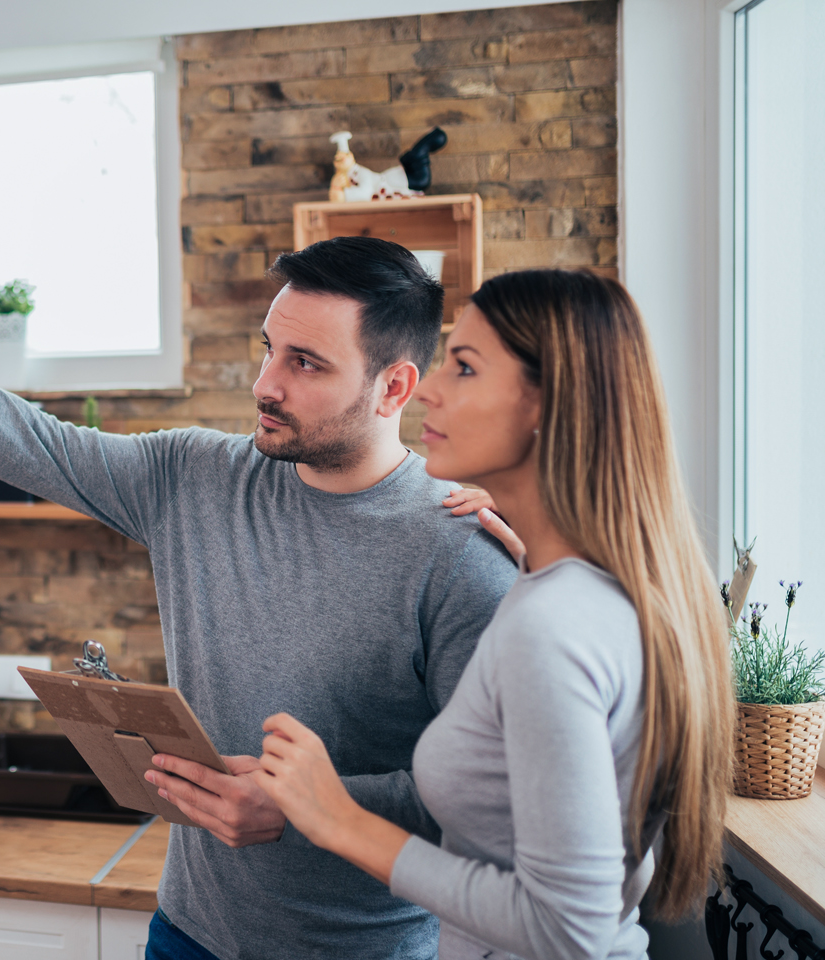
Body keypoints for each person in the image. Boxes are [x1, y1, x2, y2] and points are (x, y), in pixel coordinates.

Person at [0, 199, 518, 960]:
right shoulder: (194, 476)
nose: (266, 383)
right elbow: (28, 441)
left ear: (394, 389)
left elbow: (489, 803)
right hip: (188, 934)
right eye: (269, 349)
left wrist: (303, 804)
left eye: (305, 364)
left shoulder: (461, 551)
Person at [256, 270, 734, 960]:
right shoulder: (588, 591)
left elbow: (570, 928)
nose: (428, 388)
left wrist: (338, 820)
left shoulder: (554, 630)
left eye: (466, 367)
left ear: (549, 404)